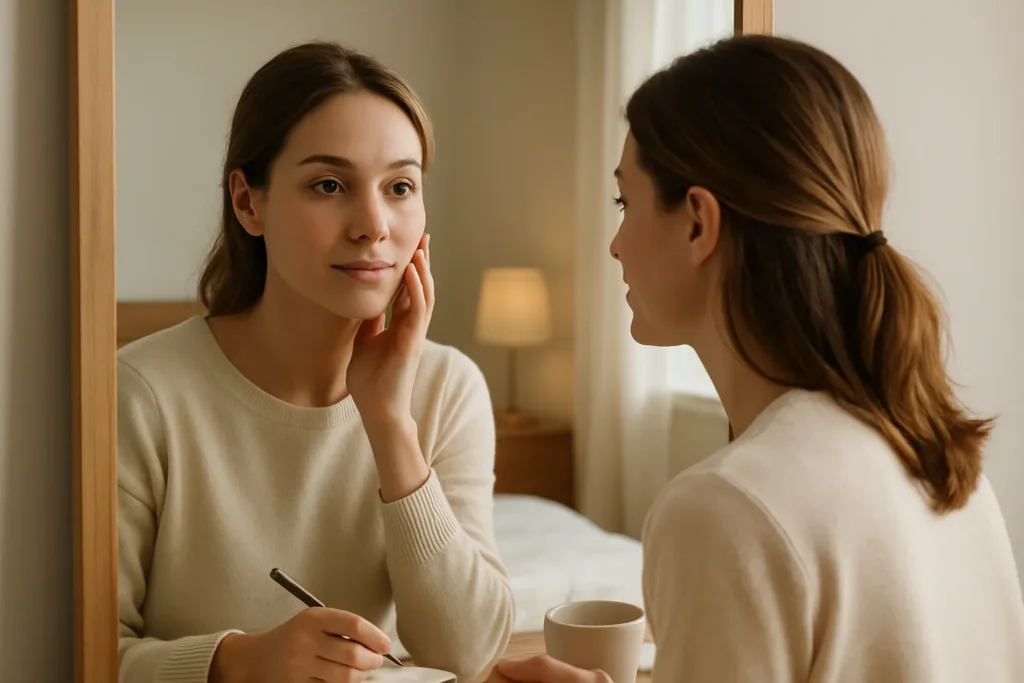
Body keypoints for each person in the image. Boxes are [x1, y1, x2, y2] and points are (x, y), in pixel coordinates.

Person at [489, 34, 1024, 683]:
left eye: (625, 203)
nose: (615, 245)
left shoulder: (727, 508)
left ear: (698, 222)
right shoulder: (943, 462)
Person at [117, 41, 513, 683]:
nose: (373, 224)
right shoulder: (142, 394)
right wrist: (238, 662)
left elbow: (468, 656)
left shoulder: (447, 387)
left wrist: (390, 423)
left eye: (400, 187)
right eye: (329, 185)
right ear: (248, 203)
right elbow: (79, 654)